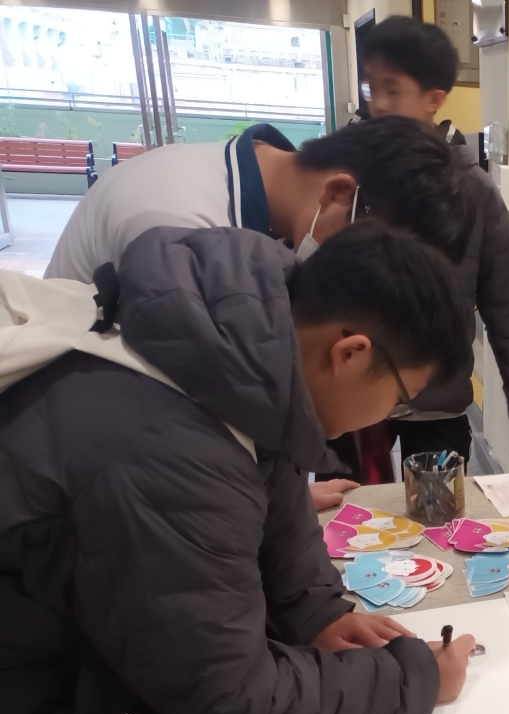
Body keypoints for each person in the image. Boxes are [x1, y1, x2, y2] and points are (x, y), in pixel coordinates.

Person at [0, 222, 478, 714]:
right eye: (401, 398)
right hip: (17, 688)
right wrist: (413, 680)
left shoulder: (238, 336)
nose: (390, 417)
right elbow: (233, 695)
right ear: (352, 353)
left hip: (52, 625)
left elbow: (270, 464)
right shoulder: (165, 450)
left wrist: (317, 612)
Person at [44, 113, 471, 510]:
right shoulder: (180, 223)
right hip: (84, 479)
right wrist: (263, 499)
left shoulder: (272, 210)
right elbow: (191, 446)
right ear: (339, 193)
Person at [360, 16, 509, 466]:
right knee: (353, 509)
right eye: (371, 88)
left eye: (391, 89)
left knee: (440, 508)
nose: (377, 104)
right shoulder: (350, 178)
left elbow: (506, 302)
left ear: (433, 99)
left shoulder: (473, 190)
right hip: (355, 402)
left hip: (437, 402)